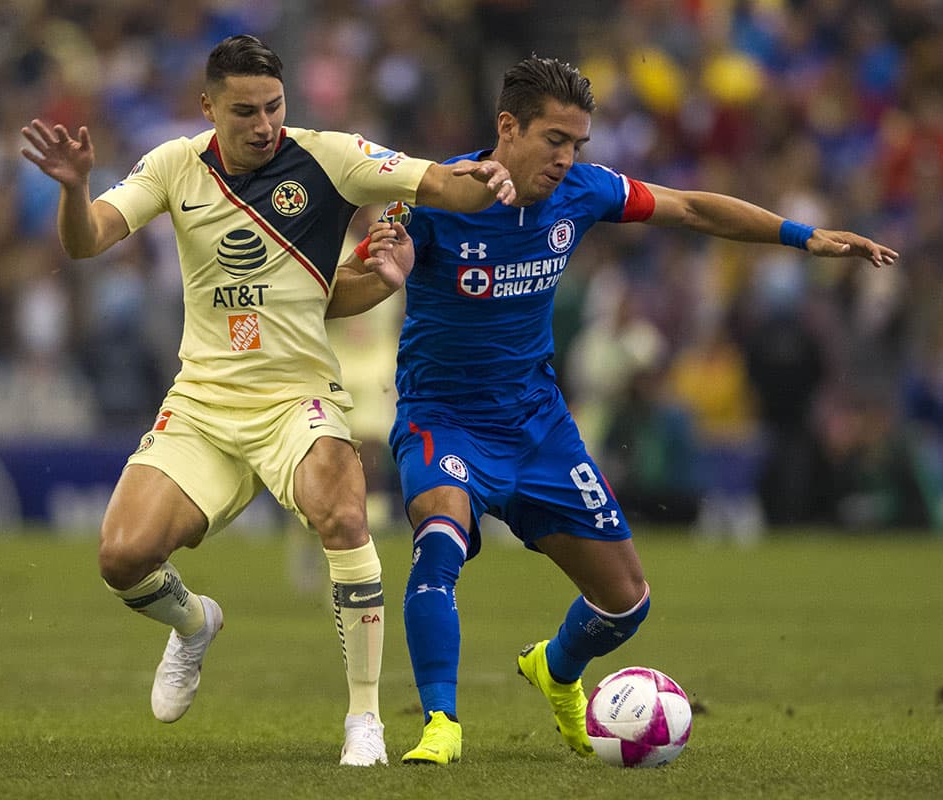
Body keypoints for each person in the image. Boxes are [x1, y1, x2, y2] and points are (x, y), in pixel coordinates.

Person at [334, 55, 897, 764]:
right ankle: (440, 723)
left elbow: (691, 207)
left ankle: (556, 670)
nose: (568, 159)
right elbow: (356, 287)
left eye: (578, 145)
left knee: (627, 603)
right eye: (555, 141)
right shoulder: (436, 198)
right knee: (439, 544)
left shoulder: (584, 192)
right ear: (507, 127)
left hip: (538, 426)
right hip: (442, 417)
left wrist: (802, 236)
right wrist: (384, 273)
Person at [19, 34, 515, 767]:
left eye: (274, 106)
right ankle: (194, 625)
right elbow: (88, 240)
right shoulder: (172, 165)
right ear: (208, 107)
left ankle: (365, 722)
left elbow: (439, 185)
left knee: (347, 514)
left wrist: (495, 180)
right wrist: (71, 189)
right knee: (122, 557)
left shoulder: (329, 155)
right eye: (244, 110)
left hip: (296, 399)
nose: (264, 124)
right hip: (205, 402)